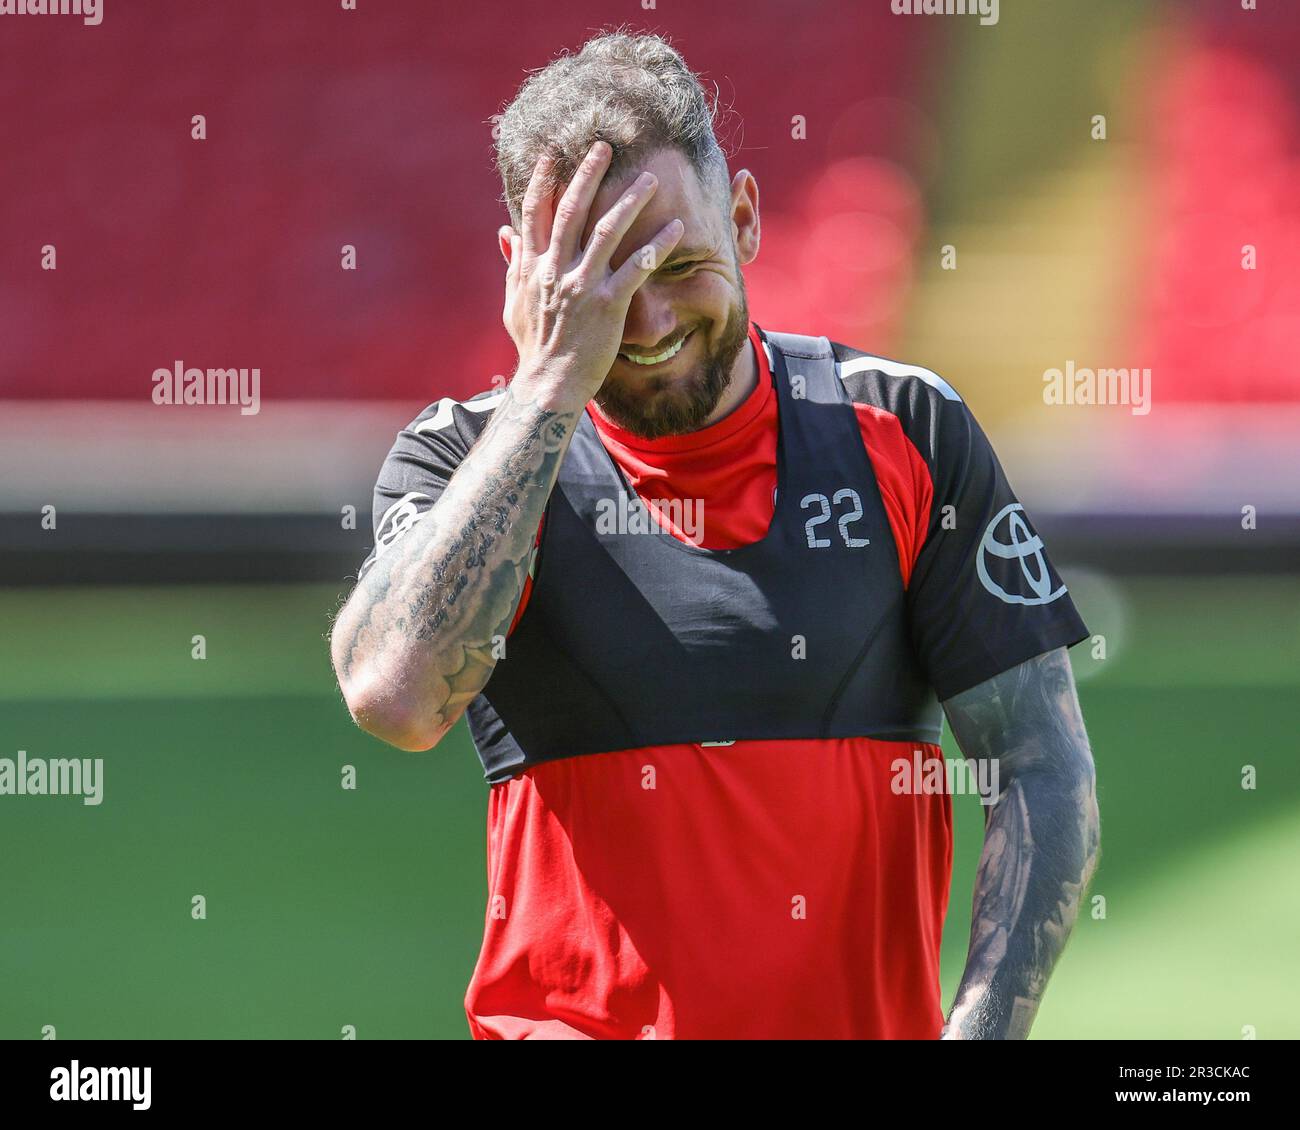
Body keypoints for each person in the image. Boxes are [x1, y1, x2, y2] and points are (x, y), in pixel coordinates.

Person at [330, 30, 1100, 1040]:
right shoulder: (459, 458)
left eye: (681, 263)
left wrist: (982, 1028)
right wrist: (551, 380)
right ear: (524, 275)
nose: (644, 320)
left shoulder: (901, 429)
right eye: (600, 282)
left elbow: (1039, 763)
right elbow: (397, 694)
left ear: (743, 215)